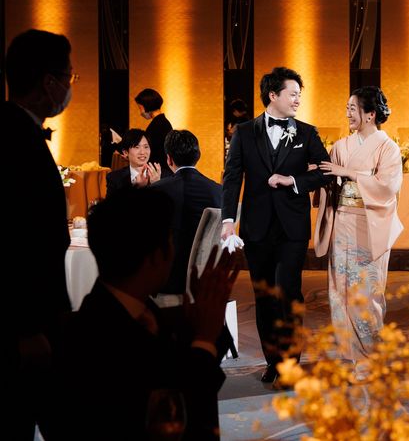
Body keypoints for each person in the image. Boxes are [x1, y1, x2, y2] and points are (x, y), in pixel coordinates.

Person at [54, 186, 239, 440]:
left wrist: (199, 320)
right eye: (170, 242)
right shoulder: (99, 338)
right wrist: (205, 338)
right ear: (156, 256)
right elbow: (180, 407)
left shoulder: (138, 309)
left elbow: (179, 365)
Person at [221, 67, 329, 386]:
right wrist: (228, 220)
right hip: (256, 229)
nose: (297, 100)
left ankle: (291, 362)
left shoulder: (307, 133)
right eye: (292, 94)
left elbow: (324, 171)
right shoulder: (244, 132)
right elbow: (232, 177)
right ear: (273, 95)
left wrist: (292, 180)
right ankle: (273, 361)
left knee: (288, 291)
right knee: (264, 295)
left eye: (299, 95)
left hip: (292, 229)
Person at [0, 29, 76, 438]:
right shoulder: (14, 139)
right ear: (49, 82)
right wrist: (27, 328)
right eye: (68, 76)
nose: (69, 86)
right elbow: (13, 240)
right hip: (28, 324)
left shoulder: (20, 130)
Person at [313, 86, 403, 365]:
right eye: (347, 108)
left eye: (353, 108)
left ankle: (369, 358)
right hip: (342, 221)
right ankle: (346, 354)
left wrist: (349, 173)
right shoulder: (341, 146)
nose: (348, 113)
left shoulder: (388, 148)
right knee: (339, 289)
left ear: (370, 114)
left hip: (369, 223)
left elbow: (387, 187)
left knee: (366, 291)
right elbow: (326, 181)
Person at [153, 129, 223, 296]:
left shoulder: (157, 191)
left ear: (169, 159)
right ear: (198, 156)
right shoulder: (219, 191)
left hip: (168, 279)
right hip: (208, 276)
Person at [105, 128, 161, 197]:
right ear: (125, 152)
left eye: (146, 147)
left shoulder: (163, 175)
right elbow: (111, 204)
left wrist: (157, 185)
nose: (142, 152)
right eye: (137, 147)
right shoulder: (114, 178)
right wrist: (138, 189)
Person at [135, 87, 173, 176]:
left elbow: (153, 153)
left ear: (147, 106)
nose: (140, 112)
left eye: (140, 108)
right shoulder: (163, 122)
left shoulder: (157, 125)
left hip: (159, 173)